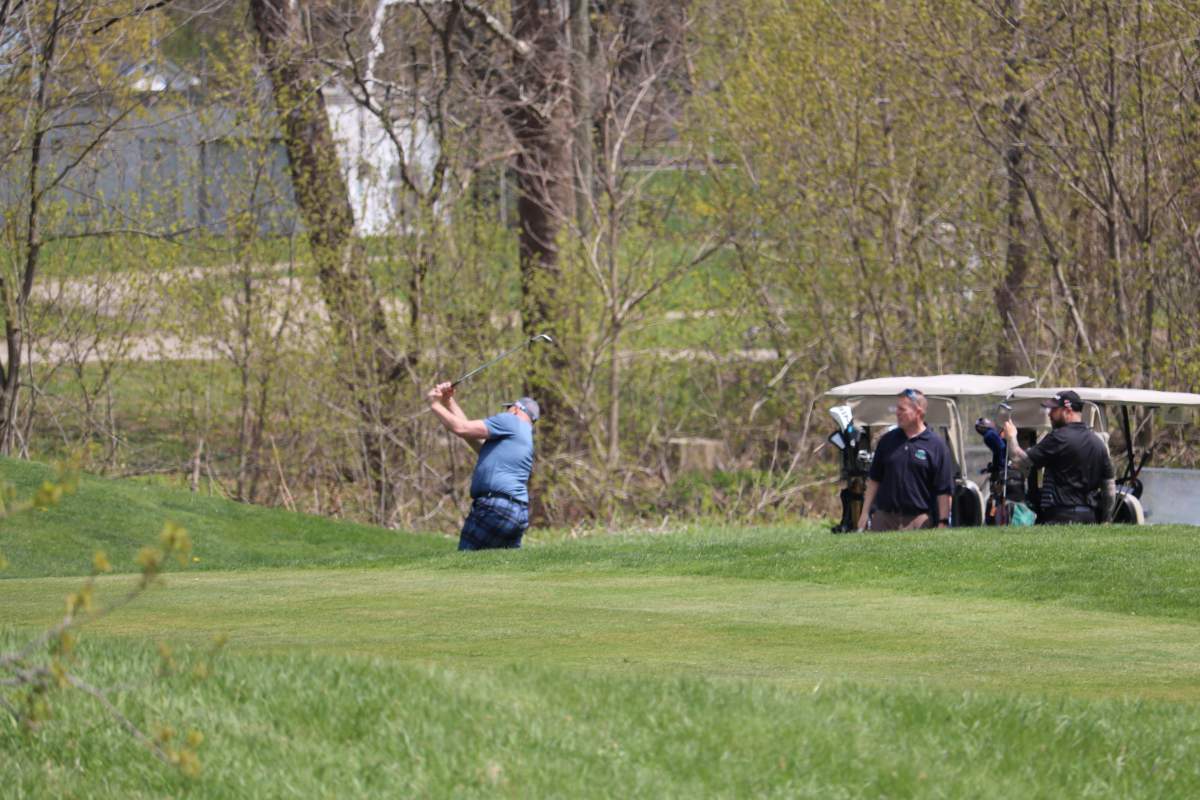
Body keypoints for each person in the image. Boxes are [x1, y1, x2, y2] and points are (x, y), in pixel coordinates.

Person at [427, 381, 539, 550]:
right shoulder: (523, 436)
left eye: (507, 408)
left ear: (516, 409)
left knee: (465, 565)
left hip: (494, 508)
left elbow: (461, 428)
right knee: (505, 570)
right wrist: (449, 402)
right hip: (517, 513)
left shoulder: (510, 421)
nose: (505, 412)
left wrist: (435, 404)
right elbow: (472, 437)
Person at [1001, 390, 1116, 524]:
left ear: (1068, 410)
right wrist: (1106, 519)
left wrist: (1011, 437)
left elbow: (1019, 461)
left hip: (1060, 517)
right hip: (1089, 518)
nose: (1049, 414)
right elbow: (1109, 489)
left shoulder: (1058, 438)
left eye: (1054, 409)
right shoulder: (1099, 443)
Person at [856, 388, 954, 531]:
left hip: (919, 521)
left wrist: (943, 522)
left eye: (902, 409)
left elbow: (944, 490)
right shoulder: (887, 441)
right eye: (897, 408)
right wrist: (864, 513)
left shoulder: (936, 446)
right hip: (884, 519)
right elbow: (874, 480)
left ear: (918, 412)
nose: (897, 413)